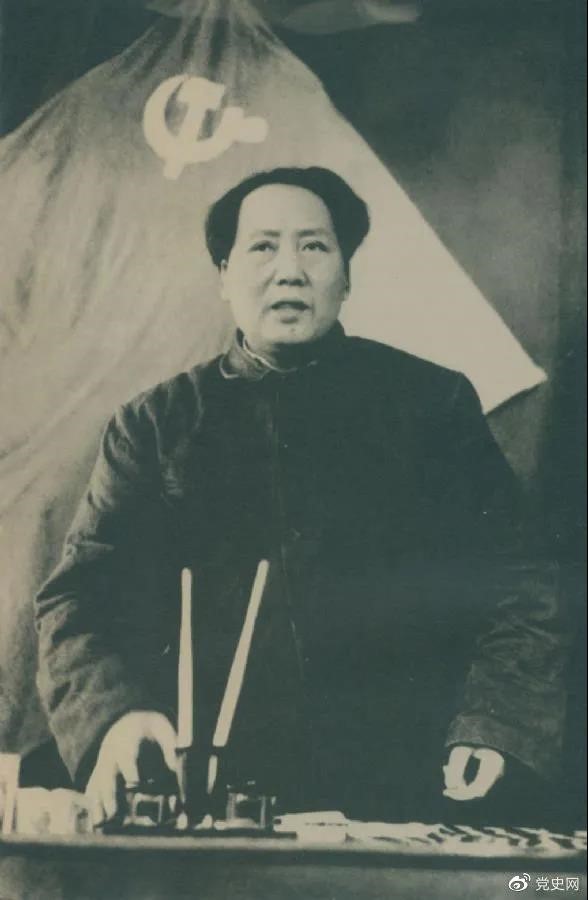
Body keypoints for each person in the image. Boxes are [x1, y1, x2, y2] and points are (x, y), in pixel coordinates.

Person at [35, 167, 568, 828]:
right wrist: (113, 716)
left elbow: (521, 577)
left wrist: (495, 723)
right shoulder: (155, 424)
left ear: (347, 276)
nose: (289, 270)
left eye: (314, 246)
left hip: (407, 791)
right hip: (205, 801)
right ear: (224, 275)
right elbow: (76, 598)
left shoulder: (432, 405)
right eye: (263, 247)